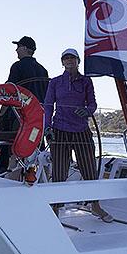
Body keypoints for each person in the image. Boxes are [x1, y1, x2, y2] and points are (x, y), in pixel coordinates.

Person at [43, 48, 112, 222]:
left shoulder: (86, 81)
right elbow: (49, 105)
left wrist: (88, 111)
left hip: (81, 130)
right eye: (65, 58)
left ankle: (95, 206)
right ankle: (55, 208)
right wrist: (47, 127)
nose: (69, 61)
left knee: (89, 169)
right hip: (59, 130)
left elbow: (93, 103)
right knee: (59, 171)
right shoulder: (55, 82)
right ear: (62, 62)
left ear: (78, 61)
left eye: (72, 58)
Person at [0, 36, 50, 172]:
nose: (16, 50)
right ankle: (40, 173)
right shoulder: (43, 70)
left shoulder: (17, 66)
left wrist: (0, 115)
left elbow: (9, 92)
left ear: (25, 48)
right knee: (37, 144)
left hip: (18, 116)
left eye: (18, 47)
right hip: (37, 117)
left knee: (7, 144)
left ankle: (3, 173)